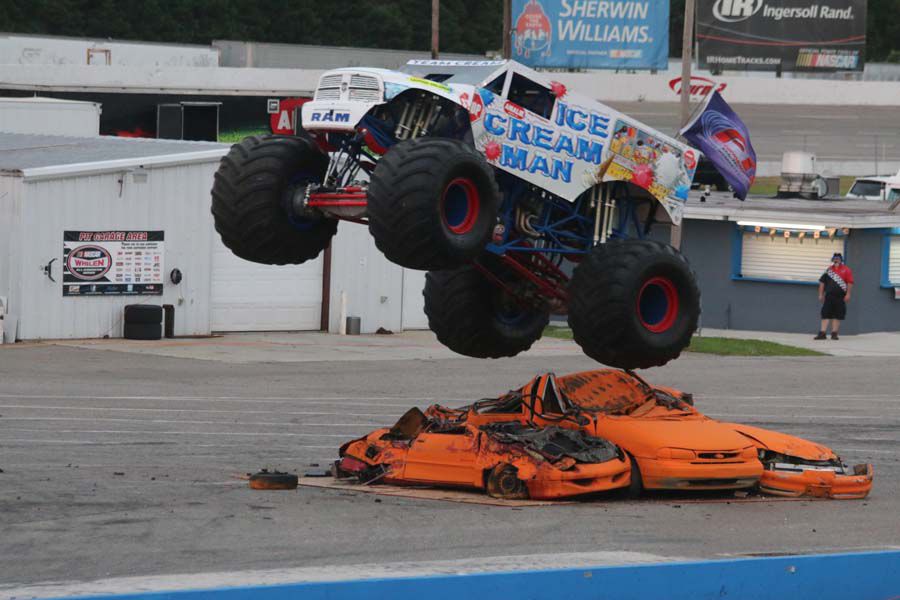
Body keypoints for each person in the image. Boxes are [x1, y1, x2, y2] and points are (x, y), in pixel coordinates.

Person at [815, 252, 854, 340]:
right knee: (825, 314)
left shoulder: (846, 270)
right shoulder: (829, 270)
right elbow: (822, 282)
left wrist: (848, 294)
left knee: (838, 315)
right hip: (829, 296)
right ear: (833, 260)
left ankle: (834, 333)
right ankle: (822, 333)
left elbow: (850, 282)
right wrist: (821, 294)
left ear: (841, 260)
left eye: (838, 258)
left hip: (840, 297)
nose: (836, 260)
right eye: (835, 258)